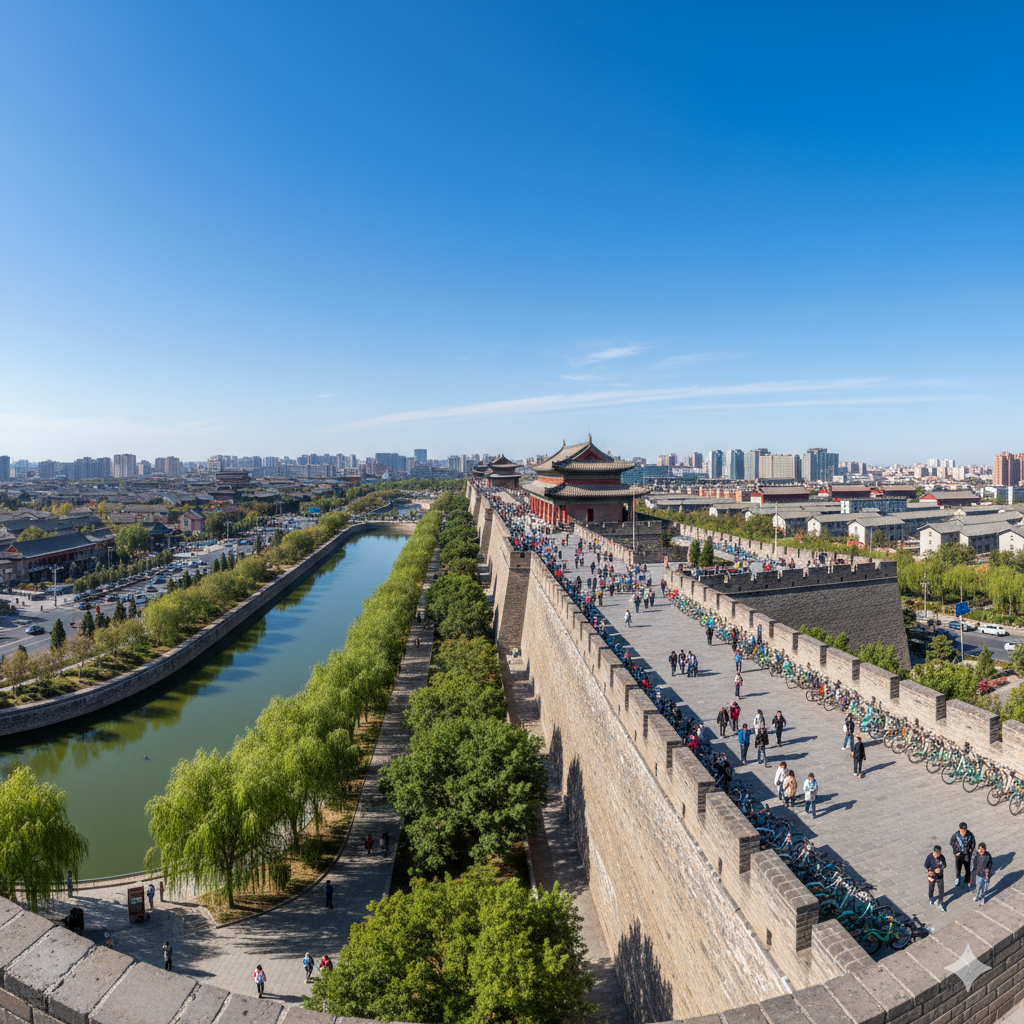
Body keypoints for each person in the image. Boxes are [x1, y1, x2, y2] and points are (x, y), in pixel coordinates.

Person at [951, 822, 976, 888]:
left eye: (964, 831)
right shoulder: (956, 835)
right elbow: (952, 843)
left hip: (967, 854)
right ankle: (958, 877)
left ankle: (967, 879)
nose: (963, 833)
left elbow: (973, 843)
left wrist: (971, 851)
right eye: (962, 831)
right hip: (959, 855)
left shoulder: (970, 835)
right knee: (958, 867)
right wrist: (956, 851)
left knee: (968, 867)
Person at [925, 845, 947, 911]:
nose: (937, 856)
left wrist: (940, 869)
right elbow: (926, 865)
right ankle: (931, 898)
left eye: (938, 854)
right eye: (936, 854)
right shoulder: (930, 857)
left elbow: (944, 865)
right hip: (932, 875)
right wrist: (932, 870)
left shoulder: (942, 857)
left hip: (940, 876)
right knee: (931, 887)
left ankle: (940, 903)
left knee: (941, 889)